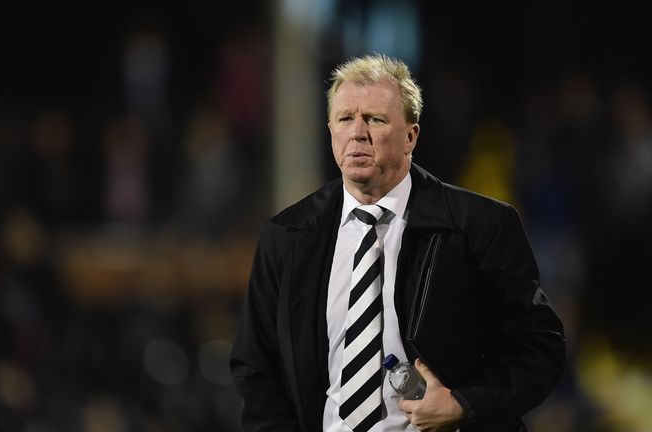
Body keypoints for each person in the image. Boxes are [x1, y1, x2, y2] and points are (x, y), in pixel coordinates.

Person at [230, 53, 565, 432]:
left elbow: (540, 349)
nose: (357, 132)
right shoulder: (286, 236)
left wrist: (463, 405)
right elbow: (256, 367)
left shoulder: (480, 226)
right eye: (345, 119)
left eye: (374, 119)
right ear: (330, 130)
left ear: (411, 136)